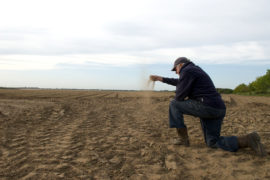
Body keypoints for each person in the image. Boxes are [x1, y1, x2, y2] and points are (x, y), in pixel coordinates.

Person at [149, 57, 267, 156]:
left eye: (176, 69)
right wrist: (160, 79)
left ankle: (182, 139)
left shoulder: (187, 70)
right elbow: (181, 82)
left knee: (174, 104)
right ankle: (248, 140)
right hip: (217, 108)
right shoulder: (194, 70)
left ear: (181, 65)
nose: (176, 72)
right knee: (213, 142)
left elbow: (179, 97)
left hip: (206, 106)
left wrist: (181, 97)